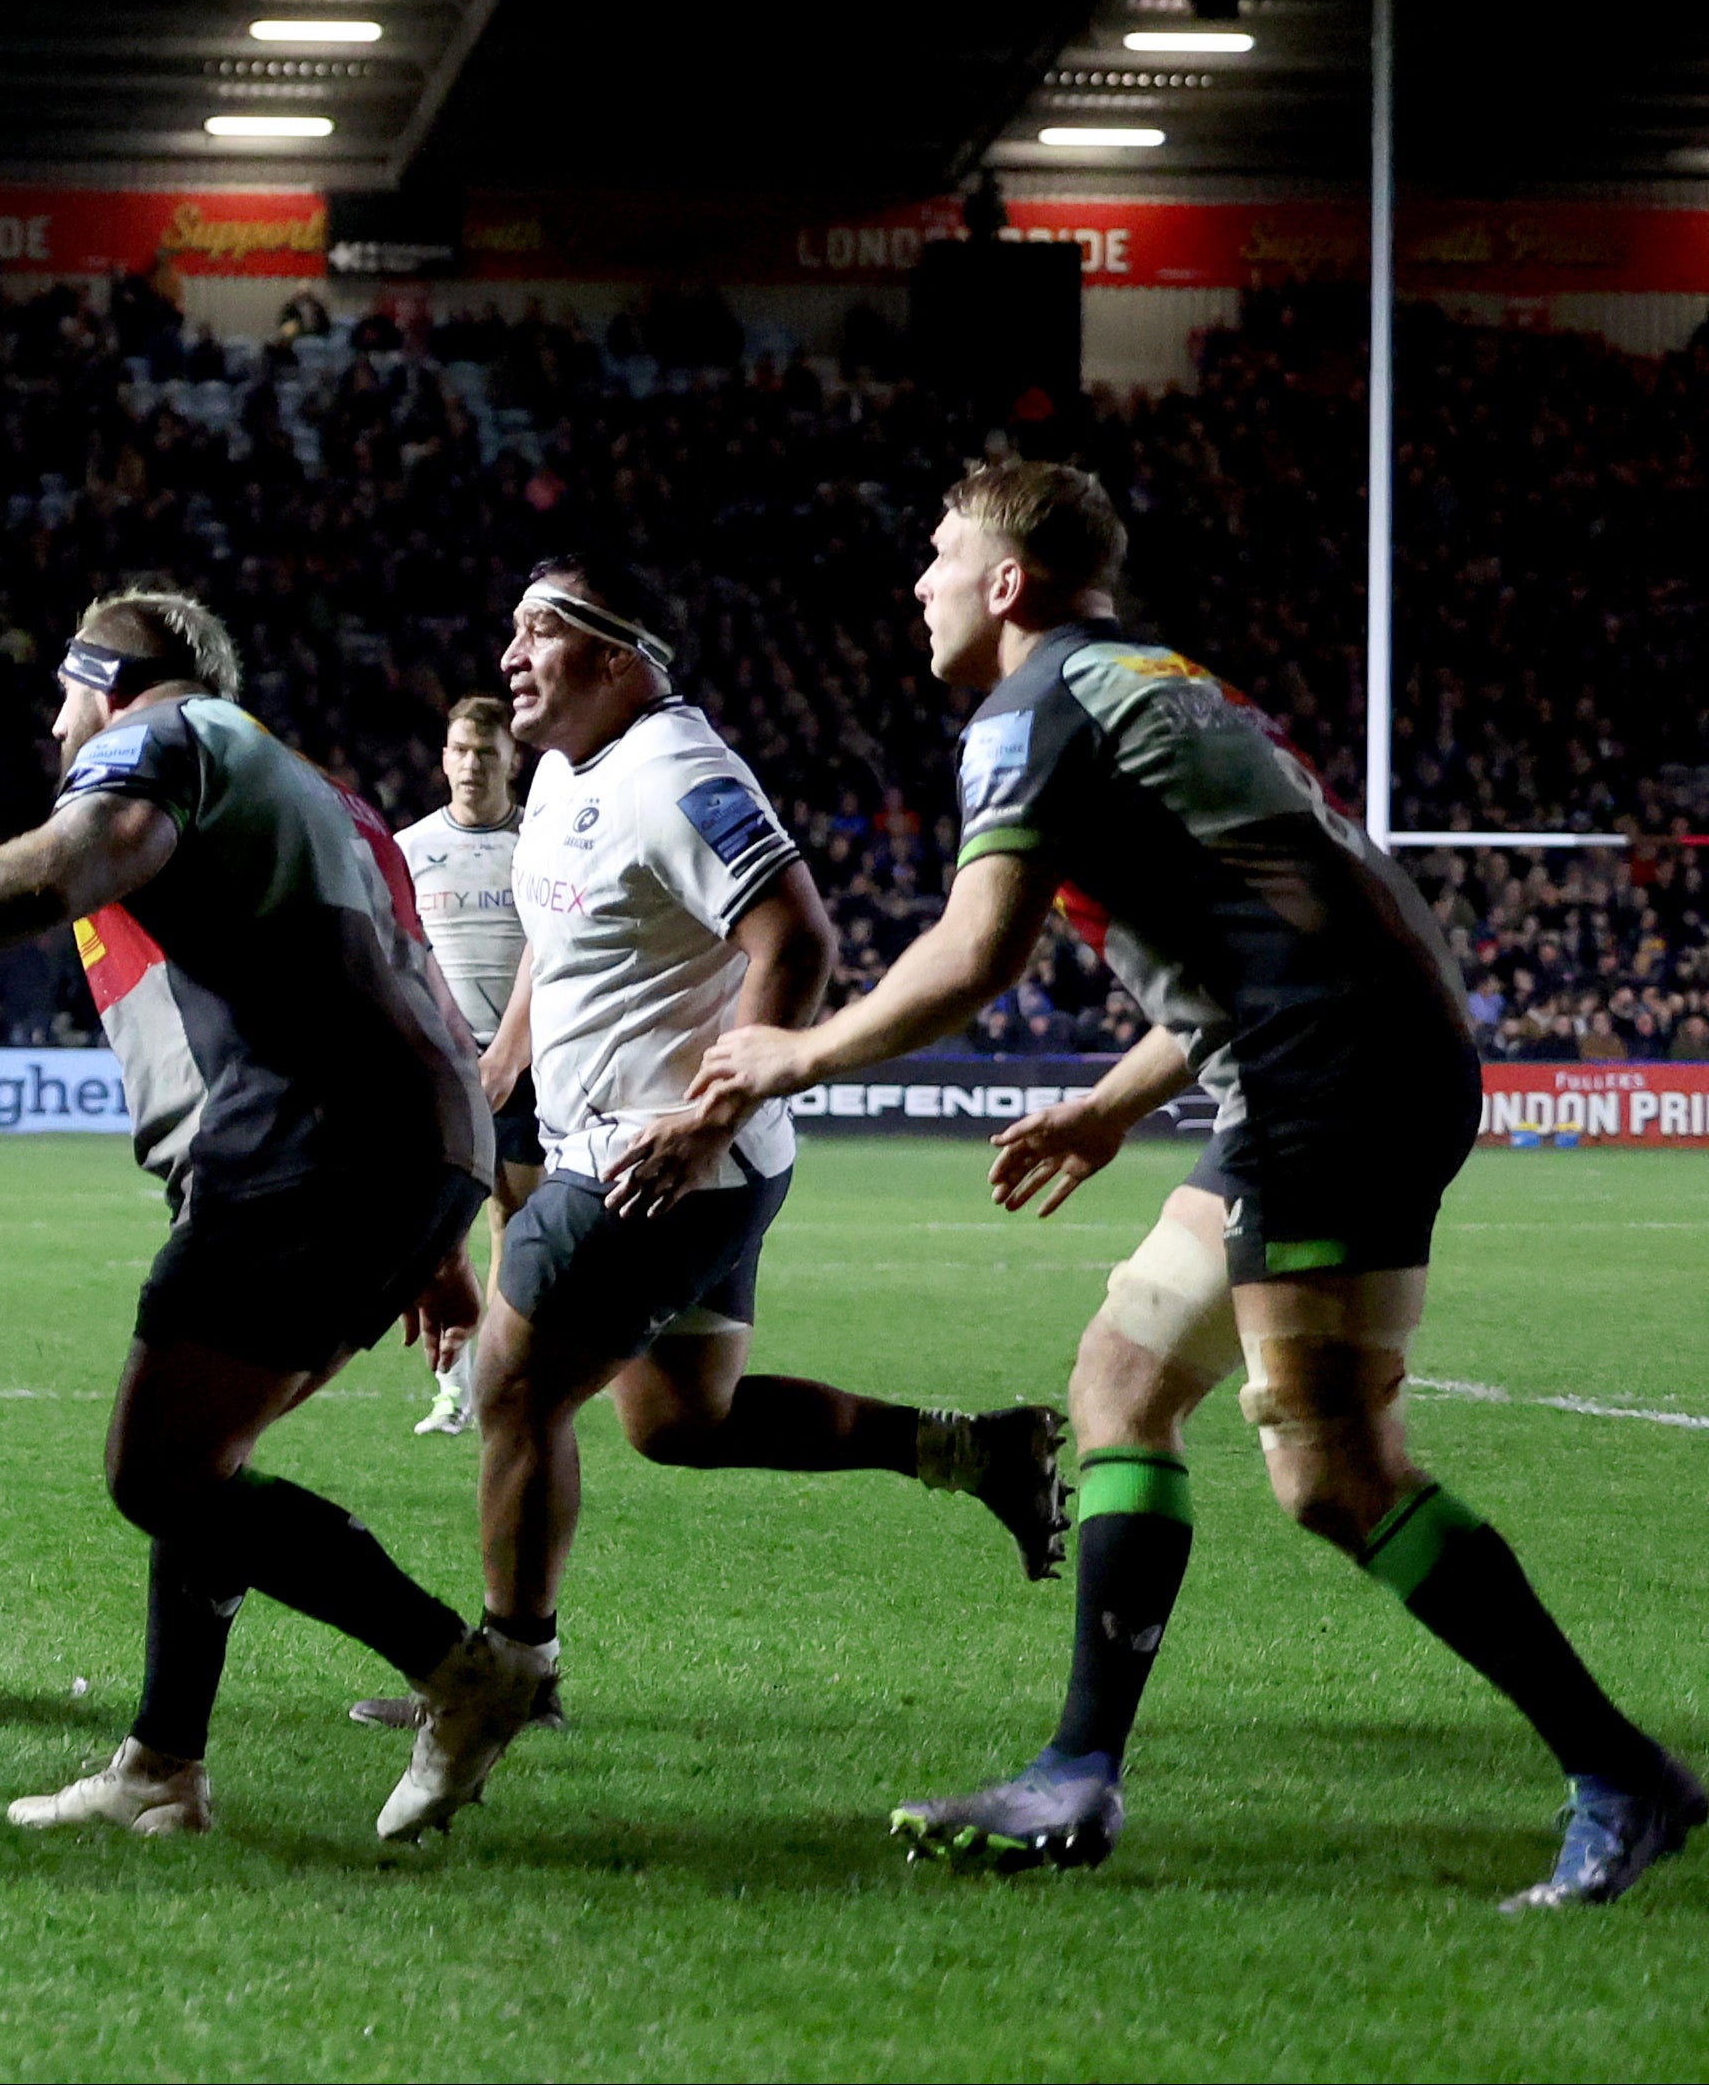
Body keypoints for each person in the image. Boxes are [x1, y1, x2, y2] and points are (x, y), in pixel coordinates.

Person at [651, 461, 1698, 1908]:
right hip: (1335, 1055)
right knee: (1121, 1380)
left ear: (1005, 583)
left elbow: (972, 954)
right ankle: (1074, 1776)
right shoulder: (1150, 681)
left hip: (1323, 1079)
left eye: (936, 556)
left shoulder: (1030, 711)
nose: (917, 583)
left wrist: (787, 1054)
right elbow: (1265, 921)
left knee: (1331, 1472)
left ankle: (1617, 1771)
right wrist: (1102, 1100)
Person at [0, 586, 490, 1848]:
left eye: (64, 693)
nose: (55, 724)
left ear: (109, 676)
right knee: (203, 1470)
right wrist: (438, 1228)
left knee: (157, 1469)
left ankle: (458, 1668)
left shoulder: (161, 737)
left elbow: (74, 855)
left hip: (307, 1146)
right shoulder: (321, 791)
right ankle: (161, 1761)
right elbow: (393, 978)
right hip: (391, 1147)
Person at [379, 565, 1064, 1839]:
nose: (513, 652)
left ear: (621, 657)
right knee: (677, 1421)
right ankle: (976, 1449)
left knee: (513, 1391)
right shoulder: (564, 772)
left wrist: (700, 1121)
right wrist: (504, 1056)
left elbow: (794, 937)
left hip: (655, 1165)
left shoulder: (672, 770)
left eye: (544, 630)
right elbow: (549, 926)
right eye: (513, 624)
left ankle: (503, 1669)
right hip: (687, 1161)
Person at [393, 695, 533, 1439]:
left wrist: (513, 1050)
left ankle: (503, 1376)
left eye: (486, 751)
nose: (471, 765)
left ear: (512, 757)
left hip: (532, 1058)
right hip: (443, 1062)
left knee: (515, 1218)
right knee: (436, 1229)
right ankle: (451, 1388)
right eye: (459, 750)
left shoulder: (540, 841)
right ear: (442, 757)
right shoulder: (410, 847)